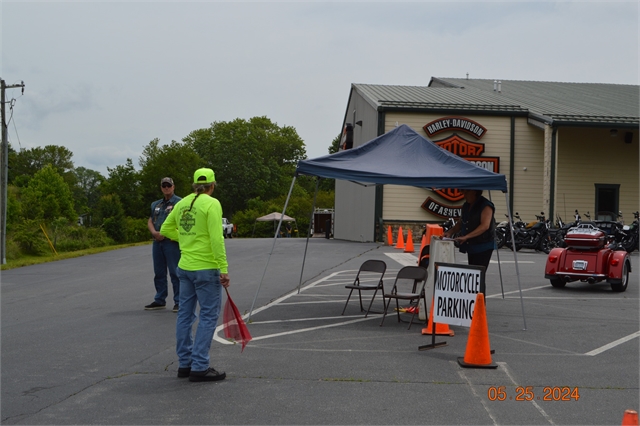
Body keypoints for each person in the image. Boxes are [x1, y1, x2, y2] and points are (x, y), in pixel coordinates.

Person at [160, 168, 230, 382]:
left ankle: (185, 363)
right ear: (212, 185)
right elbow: (217, 238)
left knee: (185, 314)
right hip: (206, 267)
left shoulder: (181, 204)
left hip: (185, 266)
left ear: (194, 185)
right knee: (208, 315)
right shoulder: (212, 203)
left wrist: (185, 239)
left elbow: (165, 228)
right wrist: (223, 267)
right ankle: (200, 365)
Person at [145, 177, 182, 312]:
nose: (166, 188)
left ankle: (179, 301)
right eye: (164, 186)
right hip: (157, 241)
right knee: (159, 272)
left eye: (169, 185)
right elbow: (150, 220)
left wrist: (166, 234)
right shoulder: (156, 204)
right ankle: (160, 299)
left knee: (175, 272)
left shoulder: (180, 203)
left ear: (173, 186)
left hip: (171, 242)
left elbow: (183, 222)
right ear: (161, 188)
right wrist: (154, 232)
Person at [443, 189, 496, 271]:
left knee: (478, 274)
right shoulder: (466, 205)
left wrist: (467, 237)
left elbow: (484, 226)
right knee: (472, 272)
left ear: (474, 192)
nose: (464, 195)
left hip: (483, 245)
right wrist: (450, 232)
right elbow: (461, 223)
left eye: (466, 192)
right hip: (471, 246)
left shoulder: (486, 205)